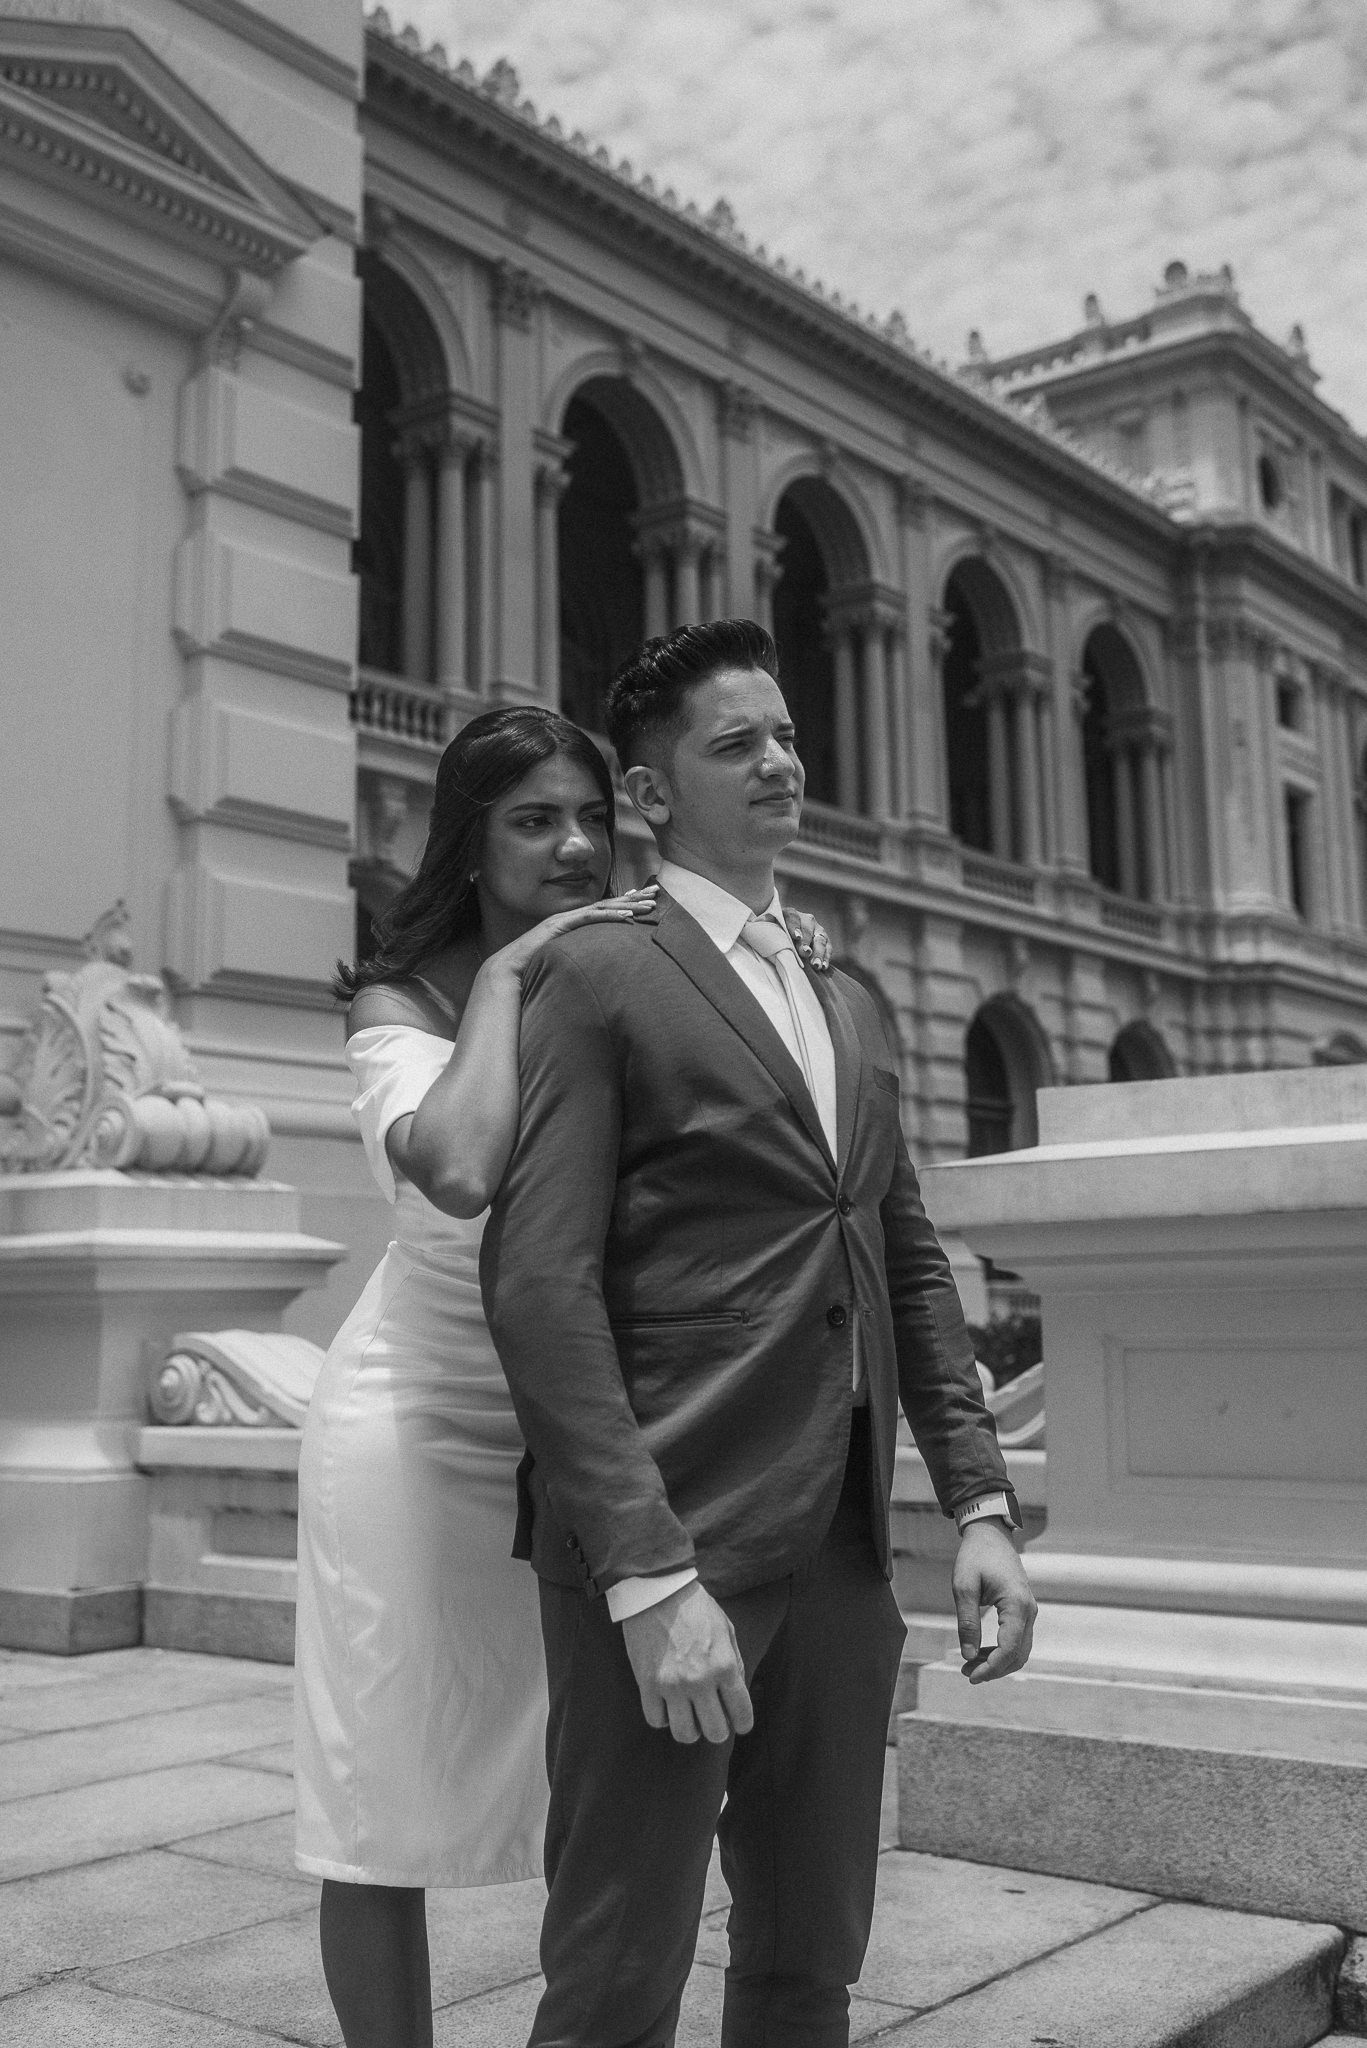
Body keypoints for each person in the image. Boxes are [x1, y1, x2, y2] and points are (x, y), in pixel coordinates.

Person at [480, 619, 1037, 2048]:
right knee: (617, 1976)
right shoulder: (595, 976)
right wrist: (648, 1574)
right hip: (672, 1545)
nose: (781, 760)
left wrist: (978, 1503)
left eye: (786, 734)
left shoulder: (849, 993)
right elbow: (539, 1287)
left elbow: (905, 1258)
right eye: (737, 744)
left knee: (811, 1957)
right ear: (650, 794)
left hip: (843, 1554)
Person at [293, 702, 831, 2048]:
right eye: (534, 821)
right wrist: (501, 980)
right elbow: (461, 1168)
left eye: (592, 817)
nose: (576, 847)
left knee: (603, 1795)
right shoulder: (404, 1001)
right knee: (378, 1798)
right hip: (416, 1428)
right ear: (469, 843)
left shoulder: (628, 967)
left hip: (582, 1434)